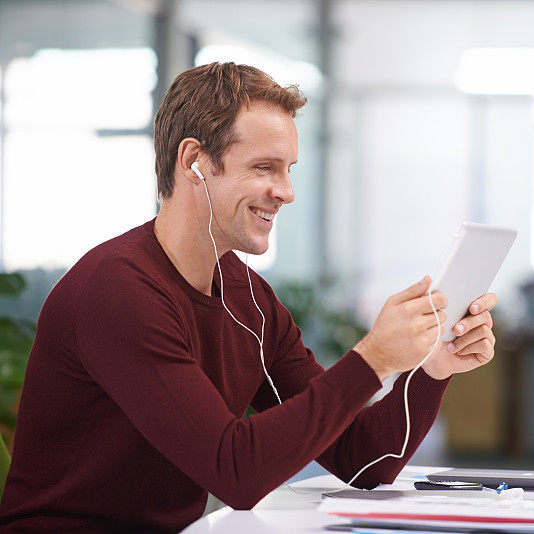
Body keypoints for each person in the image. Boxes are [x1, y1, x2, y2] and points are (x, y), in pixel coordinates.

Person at [0, 62, 499, 533]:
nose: (286, 192)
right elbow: (235, 470)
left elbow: (360, 460)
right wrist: (372, 358)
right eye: (265, 167)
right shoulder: (117, 291)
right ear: (195, 162)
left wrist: (432, 368)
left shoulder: (246, 297)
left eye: (289, 170)